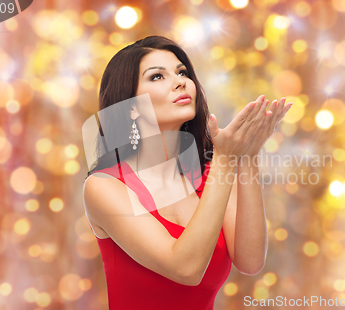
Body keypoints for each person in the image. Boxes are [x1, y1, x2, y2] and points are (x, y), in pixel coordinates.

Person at [82, 35, 293, 309]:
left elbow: (250, 261)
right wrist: (227, 159)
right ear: (132, 108)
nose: (180, 81)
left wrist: (247, 156)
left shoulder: (211, 175)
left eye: (182, 72)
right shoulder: (103, 186)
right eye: (157, 77)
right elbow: (185, 269)